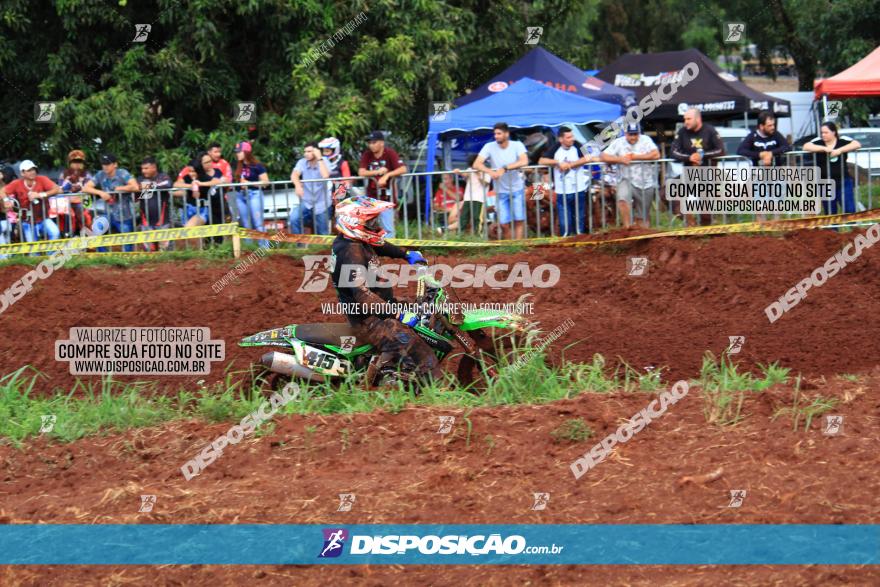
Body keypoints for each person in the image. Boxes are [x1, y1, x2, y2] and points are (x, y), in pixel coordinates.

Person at [330, 195, 440, 385]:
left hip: (379, 308)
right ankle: (433, 389)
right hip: (368, 320)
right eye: (371, 221)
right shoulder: (350, 253)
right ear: (354, 222)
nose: (376, 224)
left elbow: (380, 245)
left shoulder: (355, 242)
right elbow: (363, 296)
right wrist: (398, 314)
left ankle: (397, 366)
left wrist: (405, 255)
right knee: (418, 349)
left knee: (422, 310)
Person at [473, 122, 529, 239]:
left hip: (517, 188)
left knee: (519, 219)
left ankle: (518, 245)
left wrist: (505, 168)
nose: (496, 136)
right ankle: (510, 246)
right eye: (495, 134)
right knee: (503, 223)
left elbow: (524, 161)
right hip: (500, 191)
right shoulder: (489, 146)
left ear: (507, 134)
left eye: (499, 133)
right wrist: (490, 172)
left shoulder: (517, 145)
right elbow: (476, 163)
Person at [670, 108, 724, 226]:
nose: (686, 122)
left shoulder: (710, 131)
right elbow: (673, 151)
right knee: (668, 192)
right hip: (688, 174)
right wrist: (689, 157)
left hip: (708, 175)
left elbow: (721, 150)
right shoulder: (682, 132)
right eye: (685, 119)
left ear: (698, 119)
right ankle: (690, 222)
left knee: (706, 215)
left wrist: (701, 156)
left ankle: (707, 231)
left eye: (688, 119)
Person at [601, 123, 660, 229]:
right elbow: (604, 156)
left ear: (639, 133)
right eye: (630, 134)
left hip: (644, 181)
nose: (633, 137)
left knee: (643, 218)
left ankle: (642, 235)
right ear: (625, 133)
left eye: (635, 134)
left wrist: (636, 157)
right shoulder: (618, 142)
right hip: (625, 178)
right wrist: (620, 159)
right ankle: (627, 228)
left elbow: (656, 154)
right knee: (622, 199)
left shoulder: (646, 140)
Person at [538, 126, 595, 235]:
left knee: (580, 219)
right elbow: (541, 161)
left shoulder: (577, 145)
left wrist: (571, 165)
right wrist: (558, 163)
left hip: (579, 189)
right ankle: (566, 239)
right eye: (568, 137)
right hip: (562, 191)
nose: (572, 139)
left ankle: (580, 238)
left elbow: (588, 157)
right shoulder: (555, 148)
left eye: (572, 136)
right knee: (564, 222)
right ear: (561, 139)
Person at [82, 154, 140, 251]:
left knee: (127, 241)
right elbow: (85, 188)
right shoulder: (100, 174)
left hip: (124, 214)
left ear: (115, 164)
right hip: (108, 213)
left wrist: (119, 188)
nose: (105, 166)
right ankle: (104, 257)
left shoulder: (122, 173)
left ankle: (128, 260)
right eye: (103, 164)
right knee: (97, 230)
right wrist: (100, 193)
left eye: (108, 164)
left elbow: (135, 187)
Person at [804, 121, 862, 215]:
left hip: (843, 181)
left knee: (849, 209)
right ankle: (833, 230)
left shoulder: (842, 140)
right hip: (825, 182)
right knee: (830, 211)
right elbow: (806, 146)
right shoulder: (818, 141)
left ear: (833, 132)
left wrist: (839, 150)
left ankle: (854, 228)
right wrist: (823, 149)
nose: (823, 135)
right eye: (822, 132)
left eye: (826, 132)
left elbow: (857, 144)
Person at [358, 131, 407, 238]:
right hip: (370, 198)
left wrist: (387, 175)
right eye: (369, 142)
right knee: (367, 227)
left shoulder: (390, 153)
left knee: (388, 228)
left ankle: (389, 251)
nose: (371, 145)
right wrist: (378, 172)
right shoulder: (367, 154)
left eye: (374, 142)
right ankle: (370, 250)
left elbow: (403, 169)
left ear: (382, 143)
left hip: (387, 197)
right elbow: (361, 172)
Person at [172, 152, 225, 249]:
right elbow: (176, 184)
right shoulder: (187, 178)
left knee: (189, 228)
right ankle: (196, 253)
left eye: (193, 171)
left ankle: (198, 254)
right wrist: (190, 186)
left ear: (198, 170)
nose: (191, 174)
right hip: (188, 209)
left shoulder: (203, 177)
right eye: (189, 171)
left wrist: (200, 184)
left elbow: (217, 181)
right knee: (188, 235)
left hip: (201, 210)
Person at [2, 160, 62, 243]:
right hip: (26, 221)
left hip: (44, 218)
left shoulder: (42, 179)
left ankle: (50, 255)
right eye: (29, 170)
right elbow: (2, 191)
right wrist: (6, 200)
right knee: (33, 247)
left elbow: (58, 189)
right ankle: (35, 255)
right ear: (22, 173)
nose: (32, 172)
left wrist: (40, 194)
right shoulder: (17, 183)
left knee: (55, 233)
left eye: (33, 169)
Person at [289, 142, 332, 237]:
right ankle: (300, 247)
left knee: (323, 233)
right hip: (307, 202)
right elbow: (294, 175)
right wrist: (297, 185)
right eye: (305, 151)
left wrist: (319, 158)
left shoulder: (324, 161)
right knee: (294, 218)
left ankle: (323, 251)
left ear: (316, 151)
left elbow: (325, 175)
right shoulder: (302, 162)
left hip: (322, 203)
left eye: (309, 151)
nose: (306, 154)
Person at [233, 141, 270, 247]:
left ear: (246, 152)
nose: (237, 154)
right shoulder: (238, 165)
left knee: (258, 223)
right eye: (237, 152)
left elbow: (266, 182)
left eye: (239, 152)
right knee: (245, 224)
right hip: (241, 195)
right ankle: (248, 249)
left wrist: (249, 183)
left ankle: (264, 249)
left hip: (254, 194)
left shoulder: (257, 166)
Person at [136, 156, 173, 251]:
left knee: (165, 251)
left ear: (154, 167)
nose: (143, 171)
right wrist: (152, 187)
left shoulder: (163, 176)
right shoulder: (140, 178)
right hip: (146, 221)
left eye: (146, 168)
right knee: (149, 251)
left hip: (162, 220)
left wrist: (148, 186)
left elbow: (168, 184)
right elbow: (138, 187)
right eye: (142, 169)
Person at [57, 150, 93, 237]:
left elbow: (90, 188)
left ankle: (88, 240)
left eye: (79, 161)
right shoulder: (64, 174)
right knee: (67, 218)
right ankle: (69, 238)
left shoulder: (87, 175)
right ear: (70, 162)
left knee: (85, 218)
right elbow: (60, 189)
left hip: (83, 201)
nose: (77, 164)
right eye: (74, 161)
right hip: (67, 202)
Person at [452, 154, 491, 234]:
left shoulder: (487, 171)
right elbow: (465, 174)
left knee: (477, 217)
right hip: (468, 198)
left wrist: (478, 173)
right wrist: (459, 172)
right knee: (464, 217)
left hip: (479, 199)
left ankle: (478, 235)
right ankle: (460, 234)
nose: (473, 167)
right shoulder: (470, 169)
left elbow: (485, 183)